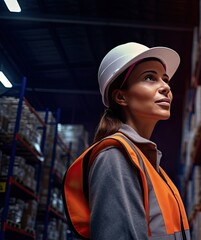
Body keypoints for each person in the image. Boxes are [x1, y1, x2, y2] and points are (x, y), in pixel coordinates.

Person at [63, 42, 190, 240]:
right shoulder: (115, 158)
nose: (165, 87)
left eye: (165, 79)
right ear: (121, 96)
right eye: (150, 78)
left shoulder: (149, 164)